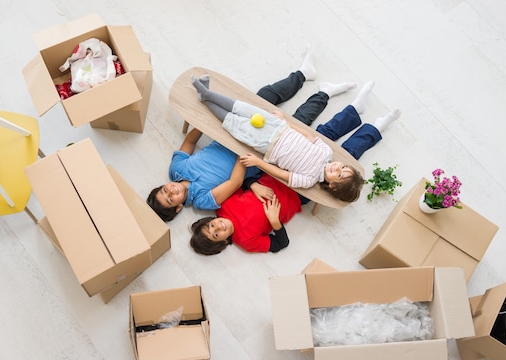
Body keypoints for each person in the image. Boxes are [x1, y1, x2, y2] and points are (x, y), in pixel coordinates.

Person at [147, 50, 357, 221]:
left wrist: (207, 122)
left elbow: (190, 141)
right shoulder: (202, 201)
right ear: (179, 208)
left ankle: (302, 74)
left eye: (164, 191)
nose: (170, 191)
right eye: (170, 199)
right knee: (300, 119)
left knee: (263, 97)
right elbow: (234, 183)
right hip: (251, 154)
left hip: (225, 137)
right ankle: (324, 93)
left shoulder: (176, 170)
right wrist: (245, 149)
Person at [191, 76, 401, 203]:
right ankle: (207, 93)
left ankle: (205, 95)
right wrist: (286, 122)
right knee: (243, 108)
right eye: (342, 167)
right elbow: (309, 136)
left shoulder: (309, 181)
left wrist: (259, 163)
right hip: (279, 128)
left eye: (338, 174)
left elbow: (282, 173)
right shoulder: (328, 154)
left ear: (333, 186)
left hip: (267, 145)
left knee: (234, 124)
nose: (337, 167)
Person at [189, 172, 305, 255]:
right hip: (297, 196)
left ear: (210, 219)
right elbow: (280, 244)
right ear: (223, 242)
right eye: (216, 235)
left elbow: (241, 181)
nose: (218, 227)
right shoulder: (246, 241)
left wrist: (253, 185)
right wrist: (275, 221)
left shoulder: (223, 205)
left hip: (276, 173)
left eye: (212, 225)